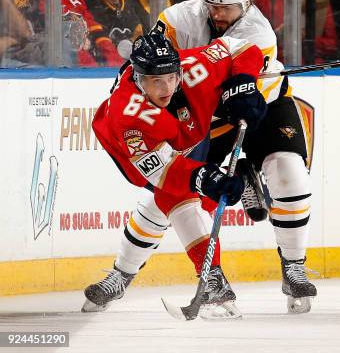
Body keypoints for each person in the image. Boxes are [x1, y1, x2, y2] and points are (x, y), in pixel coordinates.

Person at [152, 0, 317, 314]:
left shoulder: (259, 32)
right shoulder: (178, 18)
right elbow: (149, 64)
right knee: (182, 191)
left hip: (266, 104)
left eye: (227, 6)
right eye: (212, 4)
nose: (218, 13)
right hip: (207, 115)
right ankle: (241, 174)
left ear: (248, 1)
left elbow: (243, 91)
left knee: (289, 173)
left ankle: (293, 266)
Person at [83, 32, 266, 317]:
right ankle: (212, 281)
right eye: (156, 80)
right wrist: (206, 179)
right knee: (172, 197)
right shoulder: (128, 113)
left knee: (167, 201)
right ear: (139, 81)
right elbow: (164, 172)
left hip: (188, 134)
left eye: (171, 77)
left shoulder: (195, 67)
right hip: (135, 150)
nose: (166, 86)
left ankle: (121, 276)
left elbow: (238, 46)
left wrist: (243, 82)